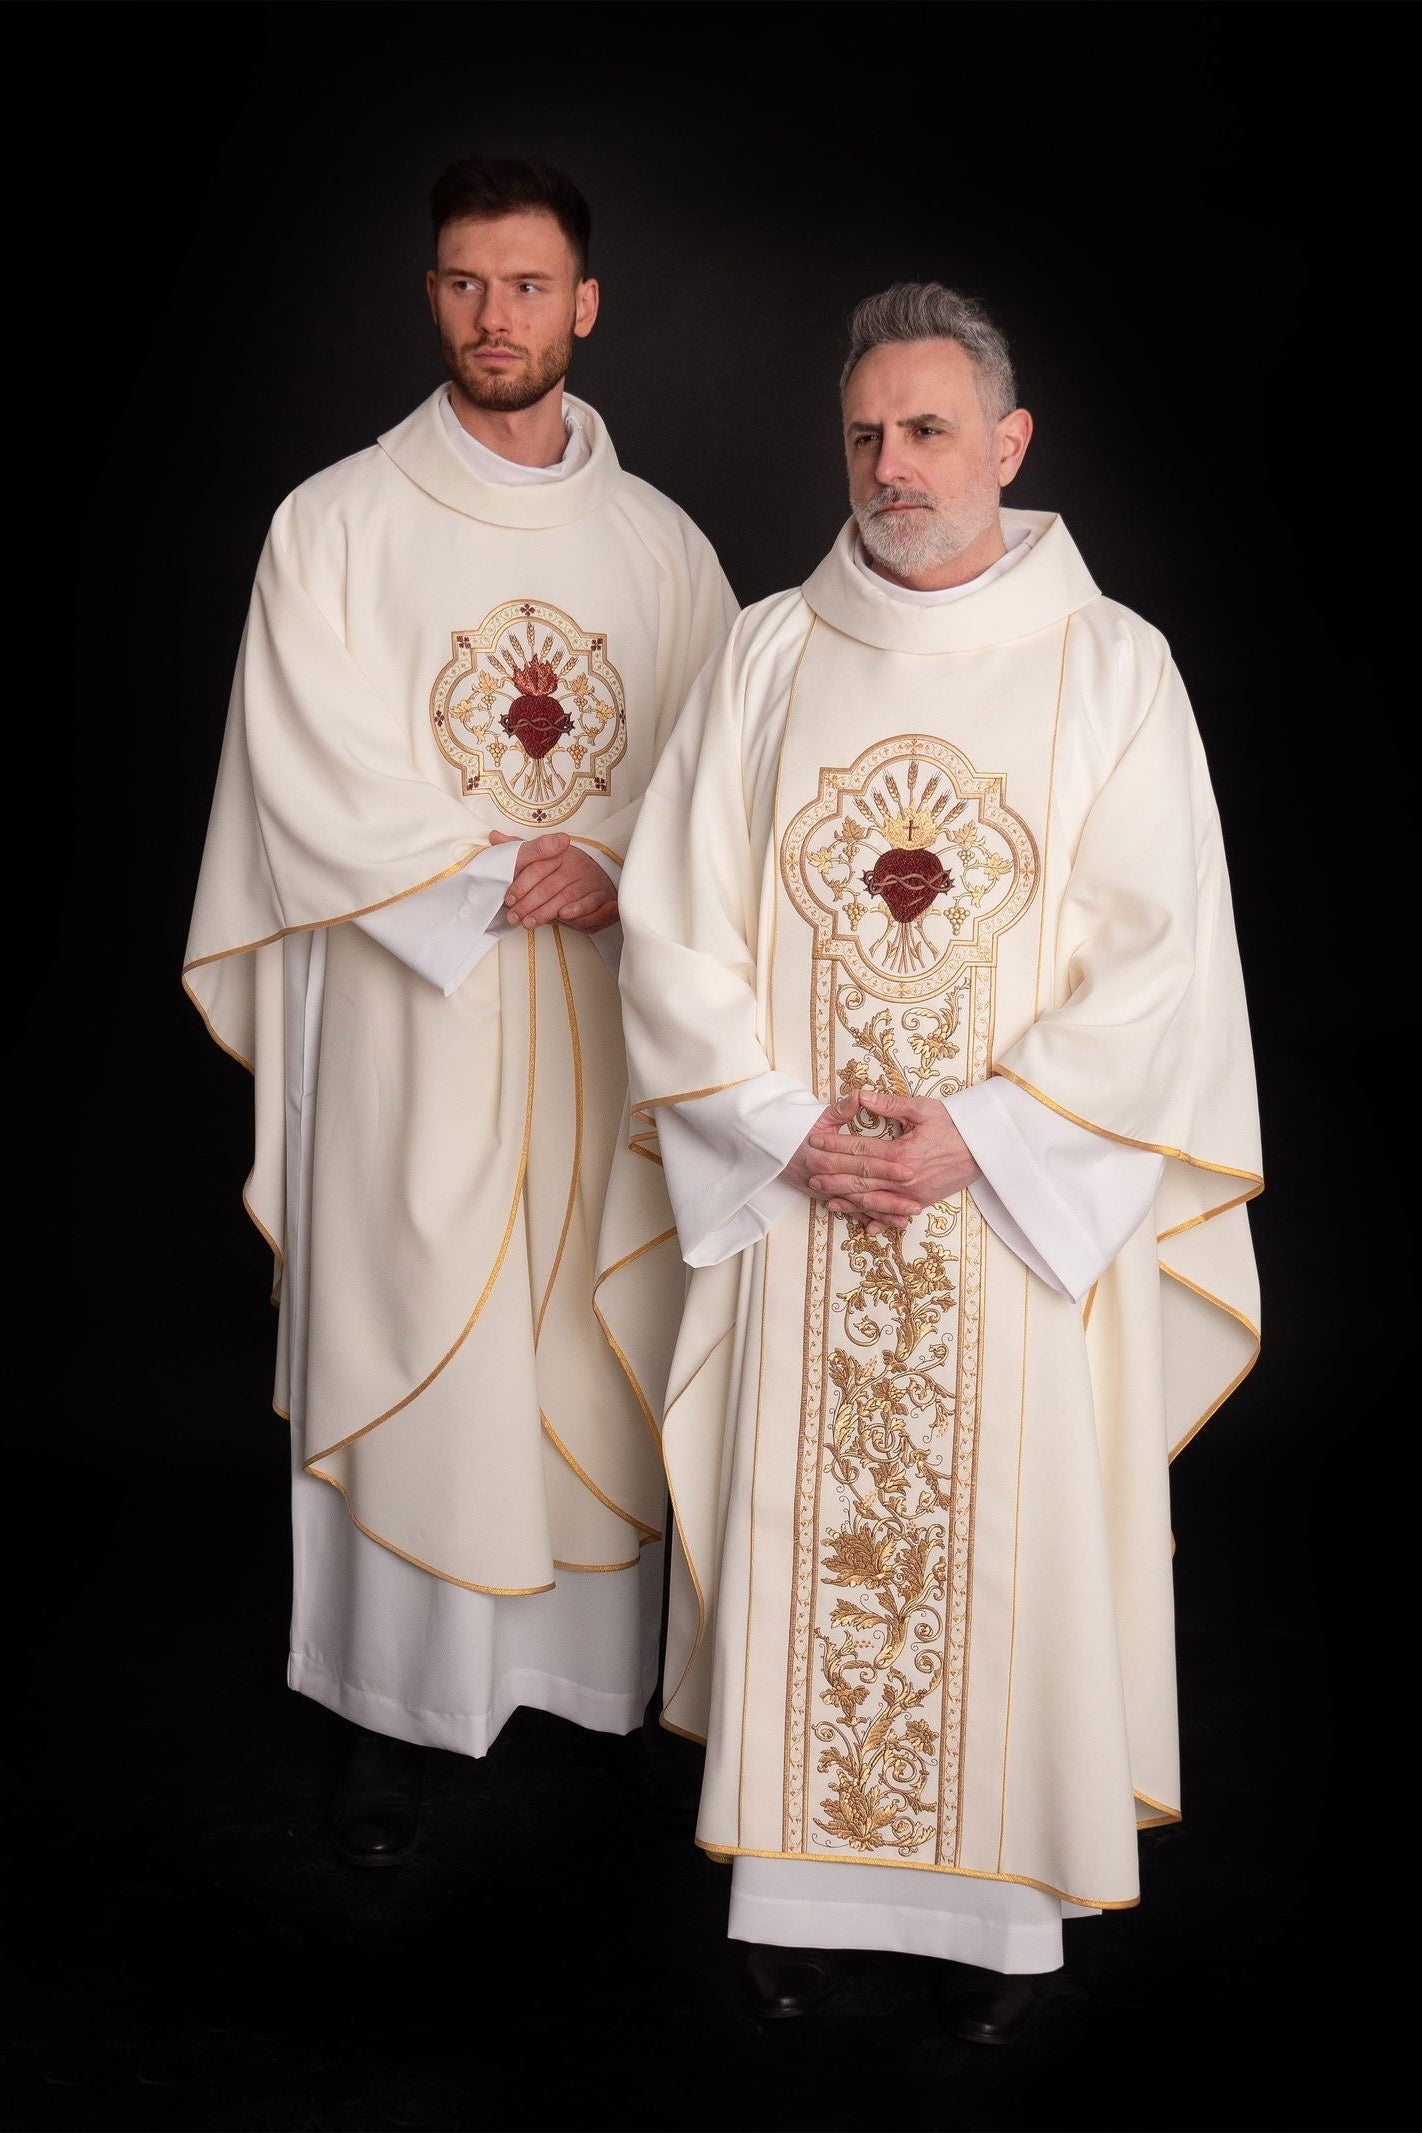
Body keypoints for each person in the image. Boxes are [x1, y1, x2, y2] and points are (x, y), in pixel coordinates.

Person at [612, 282, 1263, 2042]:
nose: (891, 469)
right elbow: (670, 931)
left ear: (1007, 444)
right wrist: (778, 1122)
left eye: (925, 431)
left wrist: (978, 1135)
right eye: (866, 436)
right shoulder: (764, 652)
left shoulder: (1111, 668)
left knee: (1006, 1563)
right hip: (805, 1196)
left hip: (1005, 1218)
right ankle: (794, 1904)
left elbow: (1160, 962)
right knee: (796, 1548)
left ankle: (993, 1928)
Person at [181, 152, 738, 1867]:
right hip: (412, 1031)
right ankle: (384, 1715)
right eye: (462, 284)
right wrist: (506, 873)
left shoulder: (663, 547)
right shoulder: (331, 523)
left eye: (526, 285)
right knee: (412, 1339)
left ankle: (592, 1685)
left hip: (599, 1035)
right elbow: (310, 768)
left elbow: (731, 777)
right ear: (432, 298)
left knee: (591, 1336)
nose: (494, 317)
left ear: (585, 303)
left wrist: (622, 860)